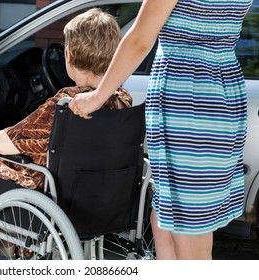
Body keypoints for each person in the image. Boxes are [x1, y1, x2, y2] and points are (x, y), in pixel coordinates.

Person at [0, 8, 133, 260]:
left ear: (70, 55)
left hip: (58, 197)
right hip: (103, 199)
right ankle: (5, 249)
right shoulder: (122, 100)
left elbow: (3, 141)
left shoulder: (67, 104)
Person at [69, 0, 252, 260]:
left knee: (191, 233)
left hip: (186, 99)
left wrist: (97, 96)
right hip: (224, 94)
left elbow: (141, 39)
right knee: (170, 213)